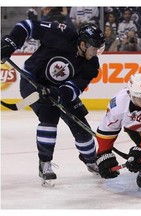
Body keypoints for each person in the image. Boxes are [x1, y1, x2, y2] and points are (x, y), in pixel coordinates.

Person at [1, 20, 105, 186]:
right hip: (33, 81)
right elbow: (27, 25)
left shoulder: (91, 65)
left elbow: (73, 89)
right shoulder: (62, 34)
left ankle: (91, 160)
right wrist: (12, 42)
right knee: (49, 116)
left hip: (59, 91)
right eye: (94, 48)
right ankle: (45, 164)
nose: (96, 52)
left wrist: (56, 93)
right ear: (83, 44)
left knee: (81, 127)